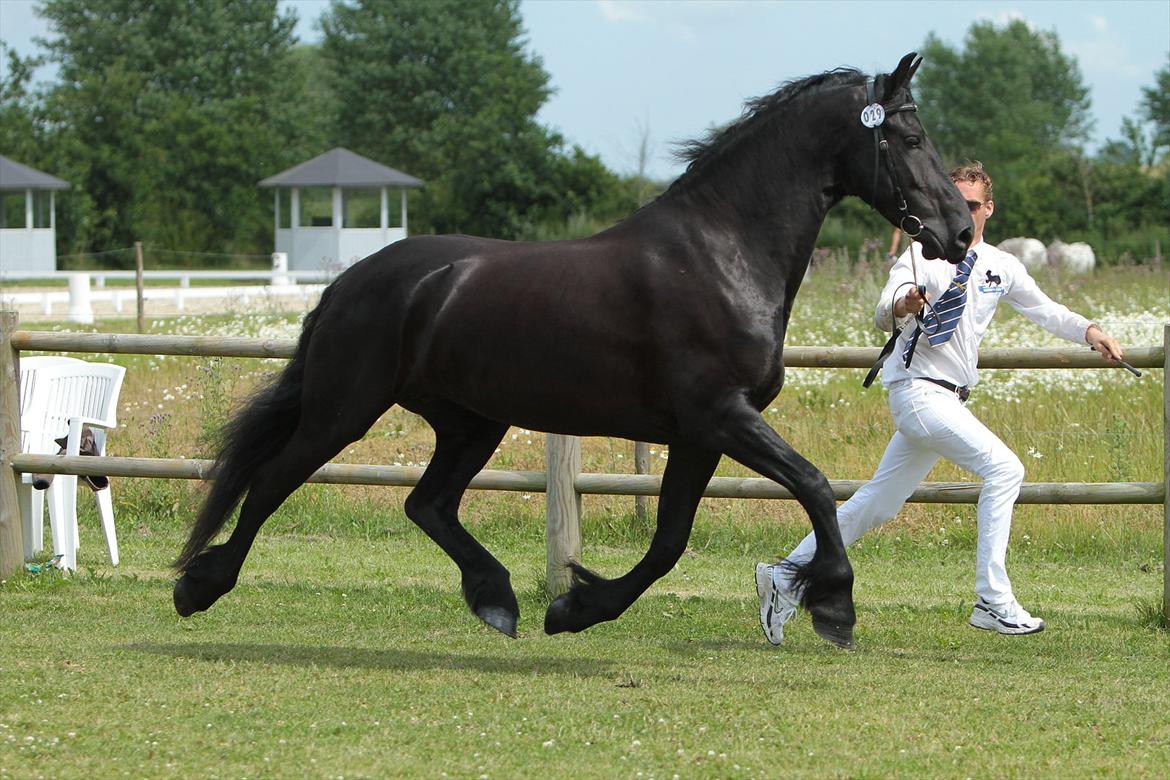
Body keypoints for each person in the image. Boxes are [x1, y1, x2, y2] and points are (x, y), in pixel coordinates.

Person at [755, 161, 1126, 643]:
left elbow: (1046, 310)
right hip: (917, 392)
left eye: (972, 204)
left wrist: (1090, 331)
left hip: (950, 399)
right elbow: (880, 315)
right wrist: (904, 304)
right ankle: (992, 599)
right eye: (953, 202)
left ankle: (784, 577)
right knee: (1005, 469)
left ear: (988, 209)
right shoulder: (919, 256)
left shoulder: (1001, 265)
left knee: (879, 502)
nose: (962, 212)